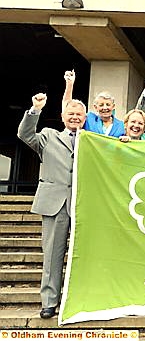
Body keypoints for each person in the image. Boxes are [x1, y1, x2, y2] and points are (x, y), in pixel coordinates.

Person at [17, 93, 87, 319]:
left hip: (83, 205)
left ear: (85, 118)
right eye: (71, 113)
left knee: (83, 256)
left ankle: (78, 299)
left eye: (79, 114)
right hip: (54, 204)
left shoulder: (93, 140)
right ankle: (49, 302)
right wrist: (35, 109)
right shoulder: (48, 136)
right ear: (63, 116)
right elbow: (25, 135)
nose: (75, 117)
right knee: (52, 256)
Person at [62, 70, 125, 137]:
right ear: (95, 107)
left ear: (113, 106)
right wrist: (69, 84)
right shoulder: (89, 119)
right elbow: (68, 106)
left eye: (108, 105)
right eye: (101, 105)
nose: (105, 108)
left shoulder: (121, 125)